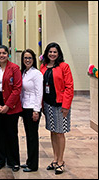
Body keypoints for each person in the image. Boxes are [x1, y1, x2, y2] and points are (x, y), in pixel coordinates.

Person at [0, 45, 22, 172]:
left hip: (11, 104)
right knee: (0, 133)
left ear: (8, 54)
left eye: (4, 53)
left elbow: (17, 88)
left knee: (11, 133)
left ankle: (14, 161)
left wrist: (7, 106)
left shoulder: (15, 68)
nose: (1, 55)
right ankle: (1, 160)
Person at [40, 42, 74, 175]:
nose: (52, 54)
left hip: (60, 105)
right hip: (48, 104)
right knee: (53, 132)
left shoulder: (64, 67)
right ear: (46, 53)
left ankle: (60, 161)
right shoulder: (43, 67)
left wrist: (66, 106)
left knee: (60, 132)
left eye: (55, 52)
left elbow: (69, 87)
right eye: (50, 52)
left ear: (58, 53)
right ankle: (54, 159)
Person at [20, 49, 43, 172]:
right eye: (25, 58)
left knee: (33, 137)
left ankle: (33, 165)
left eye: (29, 58)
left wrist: (36, 110)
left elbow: (39, 93)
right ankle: (29, 161)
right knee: (28, 136)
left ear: (33, 60)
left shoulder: (36, 74)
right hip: (25, 107)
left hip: (32, 108)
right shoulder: (24, 72)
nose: (27, 60)